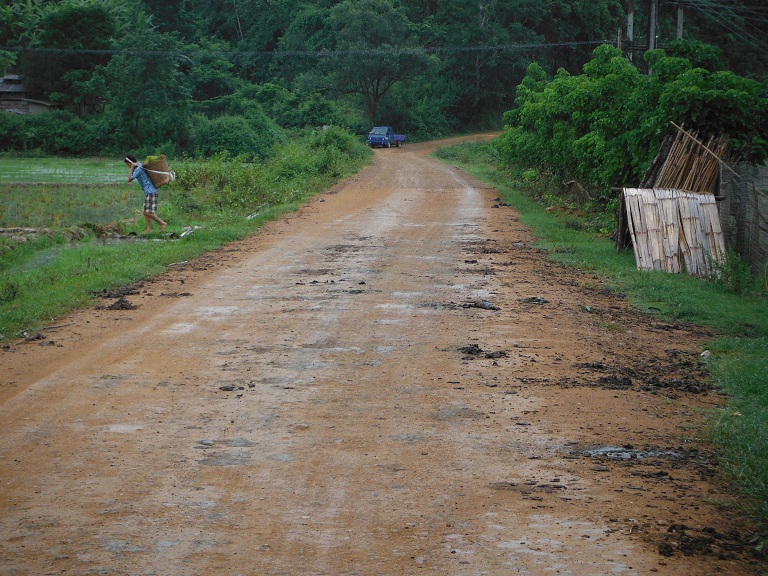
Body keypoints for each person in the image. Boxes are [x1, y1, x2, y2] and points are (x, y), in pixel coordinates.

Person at [124, 154, 167, 233]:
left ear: (131, 163)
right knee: (146, 211)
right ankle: (149, 229)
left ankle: (162, 223)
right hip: (150, 192)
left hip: (151, 192)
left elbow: (129, 179)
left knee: (146, 212)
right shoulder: (140, 165)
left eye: (128, 165)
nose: (128, 167)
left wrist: (132, 168)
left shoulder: (138, 169)